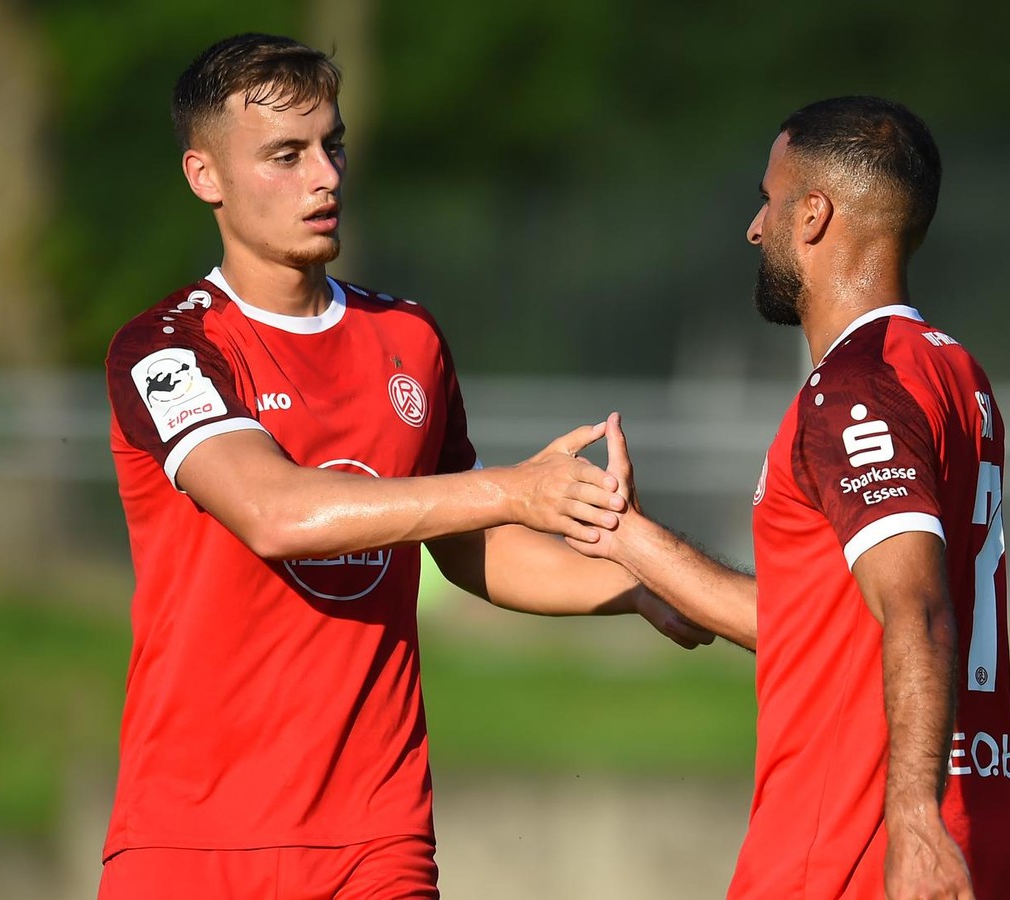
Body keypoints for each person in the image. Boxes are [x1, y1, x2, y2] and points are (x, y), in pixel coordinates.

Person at [99, 33, 708, 899]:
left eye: (332, 144)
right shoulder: (167, 347)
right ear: (206, 176)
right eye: (286, 154)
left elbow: (469, 548)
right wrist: (513, 489)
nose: (326, 177)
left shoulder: (408, 338)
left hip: (375, 840)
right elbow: (276, 516)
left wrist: (636, 586)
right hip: (189, 841)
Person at [572, 97, 1010, 899]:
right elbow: (821, 622)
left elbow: (916, 610)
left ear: (813, 215)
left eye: (769, 200)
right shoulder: (952, 373)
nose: (756, 228)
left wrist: (914, 820)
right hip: (976, 845)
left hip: (849, 860)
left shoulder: (852, 392)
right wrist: (625, 536)